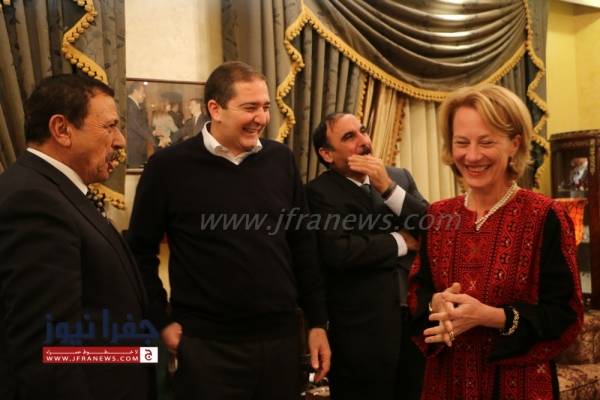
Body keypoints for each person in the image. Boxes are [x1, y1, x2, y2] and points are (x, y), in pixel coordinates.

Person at [127, 61, 330, 400]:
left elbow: (303, 245)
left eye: (265, 107)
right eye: (250, 107)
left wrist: (318, 323)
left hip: (280, 342)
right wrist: (160, 321)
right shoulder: (168, 166)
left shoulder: (281, 160)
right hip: (206, 346)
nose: (261, 118)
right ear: (215, 109)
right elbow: (139, 252)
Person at [408, 84, 583, 399]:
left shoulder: (545, 216)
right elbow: (417, 292)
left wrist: (490, 316)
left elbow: (564, 314)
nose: (472, 155)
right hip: (446, 383)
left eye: (486, 142)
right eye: (462, 142)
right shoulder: (437, 215)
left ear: (514, 144)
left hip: (519, 385)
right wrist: (436, 304)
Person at [0, 74, 153, 399]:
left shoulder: (54, 190)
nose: (120, 141)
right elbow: (49, 354)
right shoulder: (34, 201)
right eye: (110, 127)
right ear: (62, 130)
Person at [305, 112, 428, 400]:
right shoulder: (318, 193)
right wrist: (400, 241)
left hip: (415, 322)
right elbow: (341, 250)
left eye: (363, 131)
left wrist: (388, 189)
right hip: (361, 331)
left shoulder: (398, 177)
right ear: (326, 154)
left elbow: (431, 229)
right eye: (349, 137)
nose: (364, 141)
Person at [127, 81, 155, 167]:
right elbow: (138, 127)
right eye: (143, 92)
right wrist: (155, 142)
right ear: (135, 91)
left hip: (137, 148)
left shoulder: (133, 104)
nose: (144, 95)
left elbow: (141, 124)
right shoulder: (130, 105)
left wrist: (153, 132)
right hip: (134, 149)